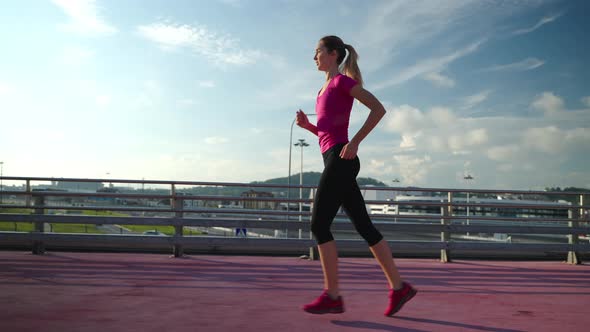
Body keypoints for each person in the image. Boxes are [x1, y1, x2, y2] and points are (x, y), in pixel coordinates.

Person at [296, 35, 417, 316]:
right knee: (364, 227)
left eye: (317, 52)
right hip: (333, 158)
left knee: (319, 225)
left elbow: (378, 109)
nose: (314, 57)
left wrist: (355, 142)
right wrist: (308, 128)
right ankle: (399, 288)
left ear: (334, 54)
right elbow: (327, 133)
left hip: (342, 158)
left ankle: (333, 295)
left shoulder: (342, 82)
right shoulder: (322, 90)